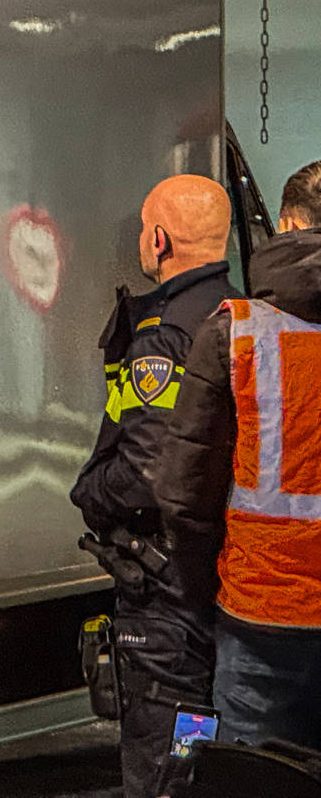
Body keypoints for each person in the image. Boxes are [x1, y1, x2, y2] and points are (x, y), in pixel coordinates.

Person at [70, 174, 237, 798]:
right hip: (219, 576)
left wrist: (91, 493)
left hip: (165, 591)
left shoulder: (165, 332)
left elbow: (147, 468)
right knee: (199, 749)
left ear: (160, 239)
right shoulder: (240, 313)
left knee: (162, 762)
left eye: (145, 228)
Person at [159, 161, 321, 753]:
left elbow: (185, 493)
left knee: (250, 775)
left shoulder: (237, 333)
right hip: (260, 611)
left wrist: (206, 591)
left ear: (287, 225)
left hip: (259, 614)